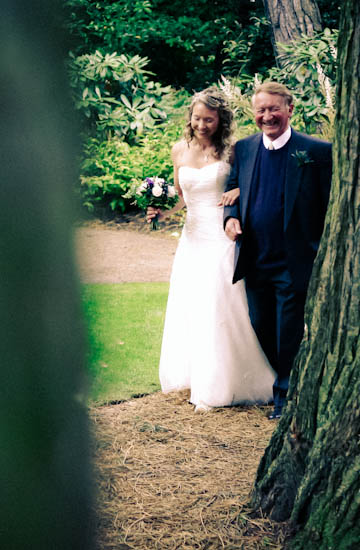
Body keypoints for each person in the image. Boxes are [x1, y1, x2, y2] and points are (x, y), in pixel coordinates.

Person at [148, 88, 276, 412]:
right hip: (191, 239)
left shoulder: (233, 151)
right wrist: (162, 212)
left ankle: (227, 382)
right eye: (197, 118)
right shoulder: (179, 150)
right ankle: (198, 376)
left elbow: (252, 184)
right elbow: (181, 197)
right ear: (189, 118)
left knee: (217, 302)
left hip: (221, 235)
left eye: (209, 119)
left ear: (220, 119)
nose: (202, 124)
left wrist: (235, 191)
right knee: (191, 304)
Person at [222, 82, 332, 419]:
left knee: (289, 333)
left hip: (293, 262)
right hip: (255, 259)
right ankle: (288, 381)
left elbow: (330, 206)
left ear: (290, 109)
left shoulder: (316, 151)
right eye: (261, 110)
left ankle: (285, 399)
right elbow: (231, 190)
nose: (267, 116)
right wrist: (229, 220)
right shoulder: (244, 148)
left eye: (274, 109)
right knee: (262, 326)